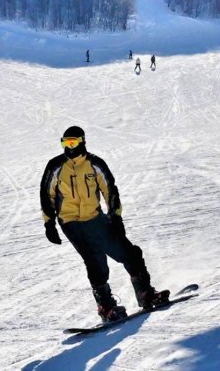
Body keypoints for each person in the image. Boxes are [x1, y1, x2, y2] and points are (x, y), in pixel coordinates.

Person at [40, 126, 168, 322]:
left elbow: (110, 190)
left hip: (94, 218)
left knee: (128, 252)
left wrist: (115, 217)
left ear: (82, 141)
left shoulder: (95, 164)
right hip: (71, 222)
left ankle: (145, 293)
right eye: (65, 143)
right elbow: (46, 194)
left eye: (73, 142)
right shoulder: (55, 166)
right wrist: (49, 223)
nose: (69, 147)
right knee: (95, 261)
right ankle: (106, 307)